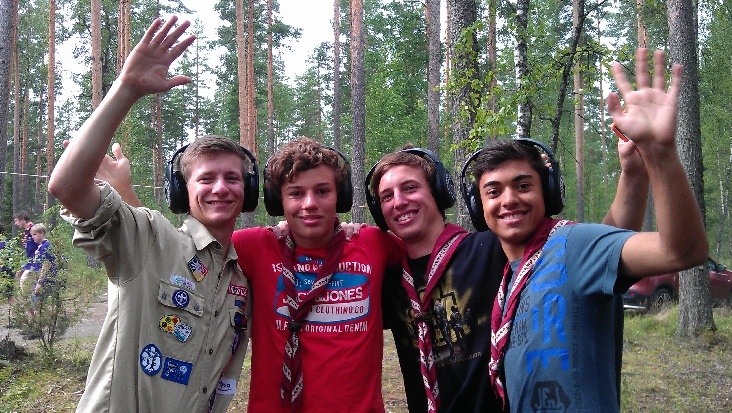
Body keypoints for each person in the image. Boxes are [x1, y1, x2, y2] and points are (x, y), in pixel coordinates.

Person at [463, 49, 707, 412]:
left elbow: (682, 251)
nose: (509, 199)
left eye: (523, 185)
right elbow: (614, 230)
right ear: (478, 208)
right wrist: (633, 174)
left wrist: (659, 154)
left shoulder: (572, 243)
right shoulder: (511, 276)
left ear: (548, 192)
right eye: (493, 192)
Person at [48, 16, 252, 413]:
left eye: (232, 178)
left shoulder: (241, 279)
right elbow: (67, 188)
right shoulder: (150, 237)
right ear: (181, 191)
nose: (221, 188)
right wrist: (127, 88)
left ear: (249, 190)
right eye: (205, 179)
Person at [368, 139, 648, 413]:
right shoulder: (387, 279)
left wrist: (633, 174)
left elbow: (601, 249)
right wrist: (347, 236)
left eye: (410, 188)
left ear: (439, 192)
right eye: (387, 196)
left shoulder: (491, 247)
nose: (399, 202)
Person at [231, 137, 404, 413]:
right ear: (278, 201)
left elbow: (426, 252)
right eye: (296, 194)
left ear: (341, 196)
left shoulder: (373, 244)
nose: (310, 203)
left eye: (323, 191)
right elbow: (179, 250)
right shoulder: (255, 247)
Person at [27, 224, 57, 316]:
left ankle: (36, 322)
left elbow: (46, 265)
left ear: (42, 233)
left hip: (46, 280)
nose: (33, 237)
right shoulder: (41, 247)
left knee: (35, 305)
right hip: (41, 278)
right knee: (34, 303)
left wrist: (40, 283)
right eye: (32, 235)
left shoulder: (45, 246)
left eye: (35, 234)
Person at [13, 210, 39, 293]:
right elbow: (29, 252)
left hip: (36, 262)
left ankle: (30, 299)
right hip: (31, 262)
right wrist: (24, 268)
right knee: (29, 284)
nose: (16, 224)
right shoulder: (26, 232)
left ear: (23, 219)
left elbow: (38, 247)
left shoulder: (34, 230)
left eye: (16, 221)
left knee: (24, 282)